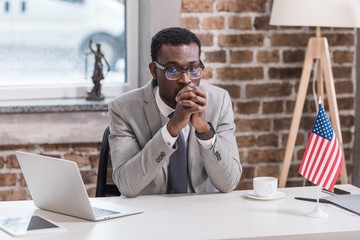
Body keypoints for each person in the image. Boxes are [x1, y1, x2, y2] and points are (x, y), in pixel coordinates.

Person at [108, 27, 241, 197]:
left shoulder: (219, 101)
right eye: (173, 70)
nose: (186, 80)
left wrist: (205, 130)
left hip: (204, 214)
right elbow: (127, 185)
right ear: (154, 70)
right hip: (150, 214)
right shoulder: (124, 109)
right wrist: (171, 129)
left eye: (193, 69)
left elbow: (229, 183)